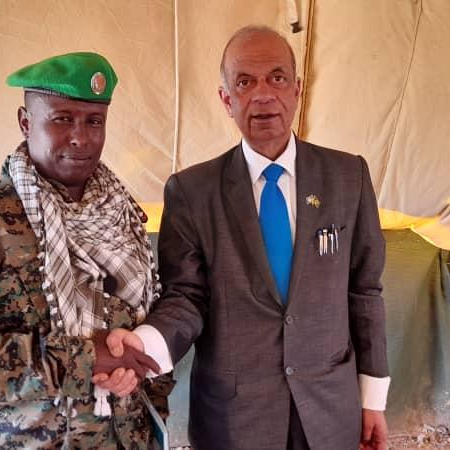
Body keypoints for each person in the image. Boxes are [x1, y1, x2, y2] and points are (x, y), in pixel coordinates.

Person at [103, 26, 391, 450]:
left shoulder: (348, 177)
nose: (263, 94)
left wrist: (372, 399)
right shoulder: (192, 192)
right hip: (234, 420)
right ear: (226, 100)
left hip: (330, 412)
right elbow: (185, 297)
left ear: (297, 89)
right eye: (244, 82)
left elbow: (364, 291)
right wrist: (144, 344)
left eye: (277, 78)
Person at [0, 52, 172, 449]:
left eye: (94, 121)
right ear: (25, 122)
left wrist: (133, 374)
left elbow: (143, 325)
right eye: (62, 119)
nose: (80, 137)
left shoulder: (121, 213)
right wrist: (84, 358)